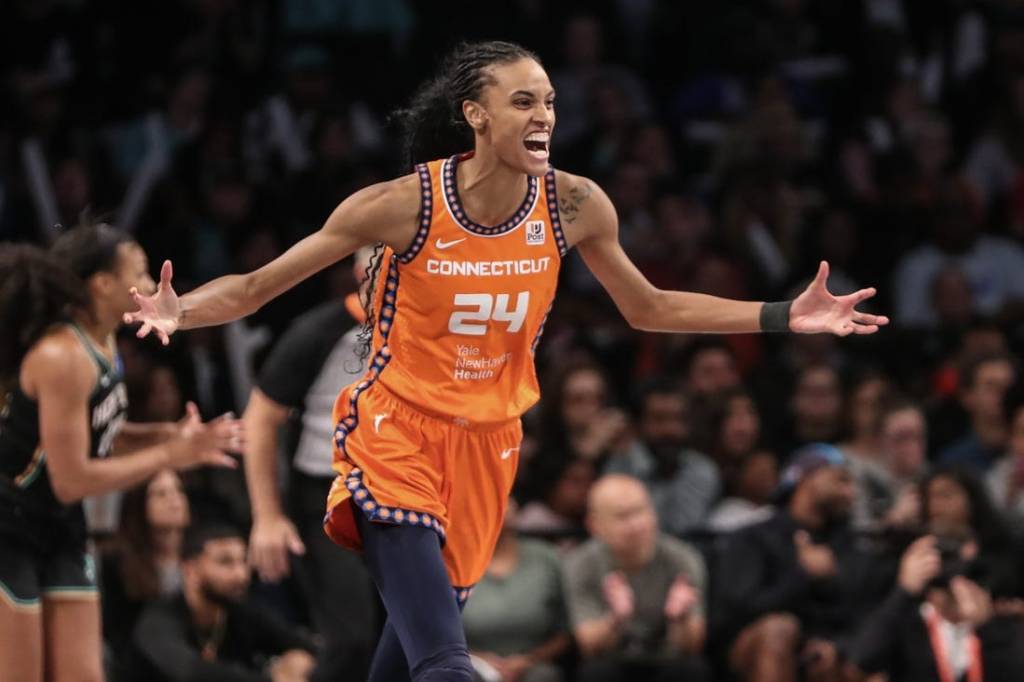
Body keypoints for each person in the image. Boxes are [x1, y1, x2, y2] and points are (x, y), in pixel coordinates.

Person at [124, 40, 888, 682]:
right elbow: (257, 288)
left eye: (549, 101)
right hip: (397, 431)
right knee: (449, 666)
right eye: (523, 101)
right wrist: (180, 308)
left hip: (490, 447)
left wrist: (787, 315)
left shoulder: (574, 205)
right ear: (476, 115)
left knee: (408, 660)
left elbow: (649, 307)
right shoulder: (401, 205)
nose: (544, 115)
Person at [0, 226, 241, 682]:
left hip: (60, 526)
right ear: (103, 285)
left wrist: (172, 435)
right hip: (9, 525)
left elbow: (103, 434)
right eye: (142, 272)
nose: (153, 286)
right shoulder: (61, 356)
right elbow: (71, 478)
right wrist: (172, 452)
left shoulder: (105, 344)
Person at [244, 247, 378, 680]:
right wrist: (267, 516)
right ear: (361, 273)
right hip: (327, 494)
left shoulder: (428, 332)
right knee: (351, 639)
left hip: (403, 493)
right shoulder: (318, 332)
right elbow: (261, 419)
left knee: (410, 633)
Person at [716, 444, 878, 682]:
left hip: (825, 649)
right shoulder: (754, 537)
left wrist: (837, 647)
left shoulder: (850, 546)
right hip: (753, 647)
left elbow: (866, 614)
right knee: (779, 629)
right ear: (806, 477)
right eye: (840, 480)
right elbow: (737, 612)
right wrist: (801, 574)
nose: (850, 493)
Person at [564, 474, 710, 681]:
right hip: (613, 659)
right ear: (594, 525)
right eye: (623, 516)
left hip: (666, 659)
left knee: (693, 669)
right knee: (595, 672)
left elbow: (693, 645)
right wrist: (616, 619)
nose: (637, 525)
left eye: (641, 511)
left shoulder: (683, 558)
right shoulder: (581, 563)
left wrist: (680, 619)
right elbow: (588, 646)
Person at [133, 523, 317, 682]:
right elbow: (189, 672)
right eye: (225, 562)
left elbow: (308, 647)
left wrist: (296, 664)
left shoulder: (240, 611)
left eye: (243, 561)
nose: (241, 575)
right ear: (190, 569)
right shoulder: (159, 618)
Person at [462, 499, 570, 682]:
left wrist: (530, 659)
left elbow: (565, 630)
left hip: (534, 665)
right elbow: (435, 630)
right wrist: (476, 659)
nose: (499, 506)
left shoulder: (546, 557)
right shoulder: (455, 561)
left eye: (505, 497)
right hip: (470, 664)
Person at [604, 380, 720, 535]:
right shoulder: (619, 469)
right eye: (659, 419)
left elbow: (695, 530)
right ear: (639, 424)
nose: (670, 429)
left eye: (678, 418)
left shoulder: (702, 470)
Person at [102, 469, 191, 657]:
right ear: (139, 504)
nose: (174, 501)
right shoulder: (117, 561)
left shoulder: (199, 552)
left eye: (178, 491)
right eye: (160, 494)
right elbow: (115, 631)